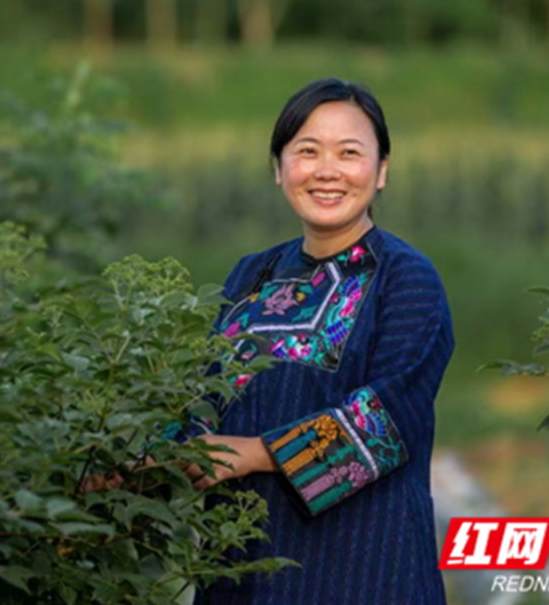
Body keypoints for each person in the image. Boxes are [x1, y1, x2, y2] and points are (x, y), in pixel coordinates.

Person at [184, 78, 455, 605]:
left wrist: (252, 454)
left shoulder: (407, 279)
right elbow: (203, 394)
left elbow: (384, 423)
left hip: (366, 572)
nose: (326, 170)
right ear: (279, 168)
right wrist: (144, 457)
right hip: (242, 572)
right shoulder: (251, 274)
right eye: (307, 151)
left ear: (381, 172)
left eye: (349, 153)